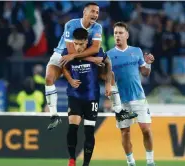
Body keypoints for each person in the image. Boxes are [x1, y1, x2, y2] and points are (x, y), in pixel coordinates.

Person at [45, 2, 133, 130]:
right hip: (62, 55)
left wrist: (89, 58)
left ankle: (119, 111)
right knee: (49, 78)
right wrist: (91, 58)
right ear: (84, 13)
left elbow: (95, 48)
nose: (95, 14)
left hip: (79, 56)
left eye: (97, 12)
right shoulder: (71, 24)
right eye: (92, 11)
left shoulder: (97, 27)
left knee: (110, 75)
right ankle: (54, 115)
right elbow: (69, 52)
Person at [106, 22, 156, 166]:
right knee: (125, 132)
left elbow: (145, 73)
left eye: (120, 33)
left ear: (127, 35)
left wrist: (148, 63)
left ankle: (150, 162)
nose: (117, 36)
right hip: (121, 100)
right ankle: (131, 162)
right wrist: (109, 89)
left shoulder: (136, 51)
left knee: (146, 130)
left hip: (139, 98)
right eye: (115, 33)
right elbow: (107, 76)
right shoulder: (109, 55)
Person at [62, 28, 111, 166]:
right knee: (73, 127)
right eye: (76, 43)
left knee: (89, 132)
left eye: (81, 44)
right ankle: (72, 159)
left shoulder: (96, 50)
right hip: (75, 95)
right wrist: (70, 80)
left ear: (87, 42)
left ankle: (86, 164)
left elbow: (107, 62)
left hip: (91, 97)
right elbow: (63, 67)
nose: (77, 47)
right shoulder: (68, 52)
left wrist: (108, 84)